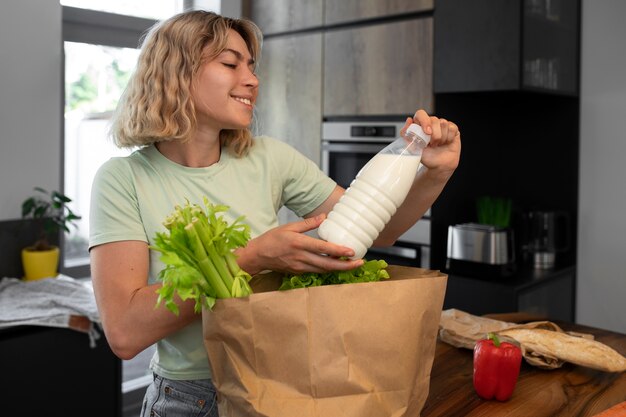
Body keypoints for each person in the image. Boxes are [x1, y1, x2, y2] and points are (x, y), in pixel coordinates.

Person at [88, 10, 461, 417]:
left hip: (277, 382)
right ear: (176, 72)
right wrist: (249, 258)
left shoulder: (270, 159)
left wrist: (434, 174)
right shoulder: (123, 180)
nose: (252, 79)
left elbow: (379, 229)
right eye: (230, 63)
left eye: (251, 65)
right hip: (186, 400)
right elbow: (124, 332)